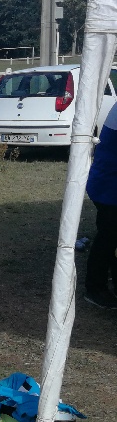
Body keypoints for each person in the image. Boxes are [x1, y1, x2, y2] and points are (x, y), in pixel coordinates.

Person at [84, 103, 117, 309]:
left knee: (111, 237)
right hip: (109, 187)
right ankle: (95, 289)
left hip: (106, 183)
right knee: (108, 237)